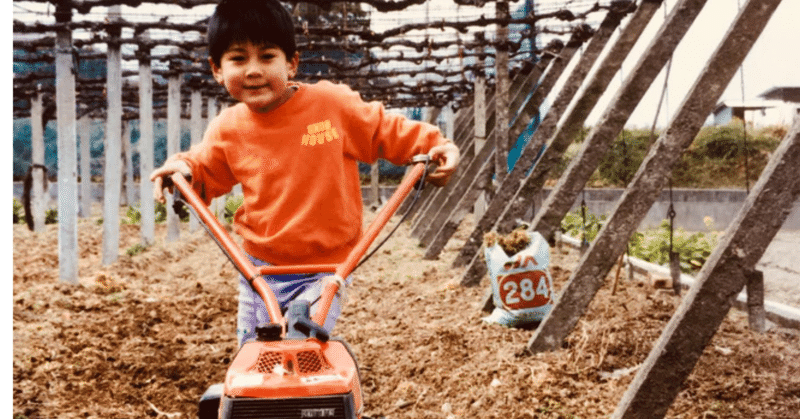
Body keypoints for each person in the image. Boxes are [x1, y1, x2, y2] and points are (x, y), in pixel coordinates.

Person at [150, 0, 460, 347]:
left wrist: (436, 145)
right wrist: (181, 170)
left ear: (292, 63)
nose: (253, 70)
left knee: (302, 348)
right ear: (217, 69)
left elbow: (384, 129)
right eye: (238, 59)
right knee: (255, 354)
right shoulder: (228, 128)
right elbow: (205, 168)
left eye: (267, 57)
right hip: (258, 271)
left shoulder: (331, 106)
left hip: (325, 270)